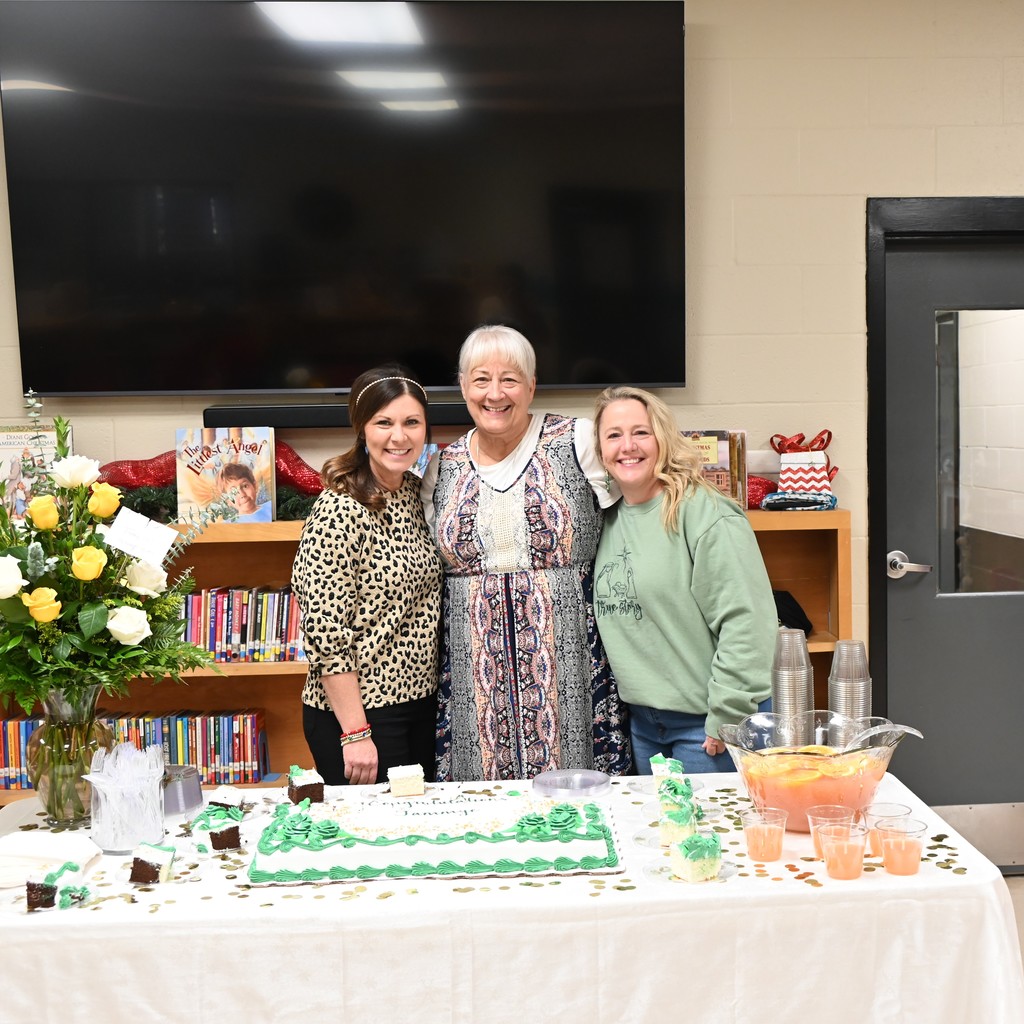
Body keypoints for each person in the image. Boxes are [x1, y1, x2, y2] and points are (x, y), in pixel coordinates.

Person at [422, 324, 631, 781]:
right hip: (473, 673)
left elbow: (632, 520)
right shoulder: (443, 464)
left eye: (510, 379)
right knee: (484, 817)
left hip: (571, 662)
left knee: (578, 813)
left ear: (532, 386)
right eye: (481, 379)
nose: (495, 393)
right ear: (463, 386)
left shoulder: (578, 440)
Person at [592, 385, 776, 774]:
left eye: (641, 432)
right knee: (665, 833)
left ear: (663, 438)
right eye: (613, 435)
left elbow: (748, 622)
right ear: (600, 450)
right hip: (644, 725)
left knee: (713, 834)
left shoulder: (704, 513)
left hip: (710, 722)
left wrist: (726, 713)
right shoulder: (605, 519)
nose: (628, 446)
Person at [291, 365, 443, 786]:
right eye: (384, 423)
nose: (400, 436)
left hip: (420, 704)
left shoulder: (414, 493)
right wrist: (356, 733)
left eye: (412, 422)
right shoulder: (339, 509)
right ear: (362, 429)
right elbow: (324, 631)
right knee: (371, 841)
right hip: (361, 714)